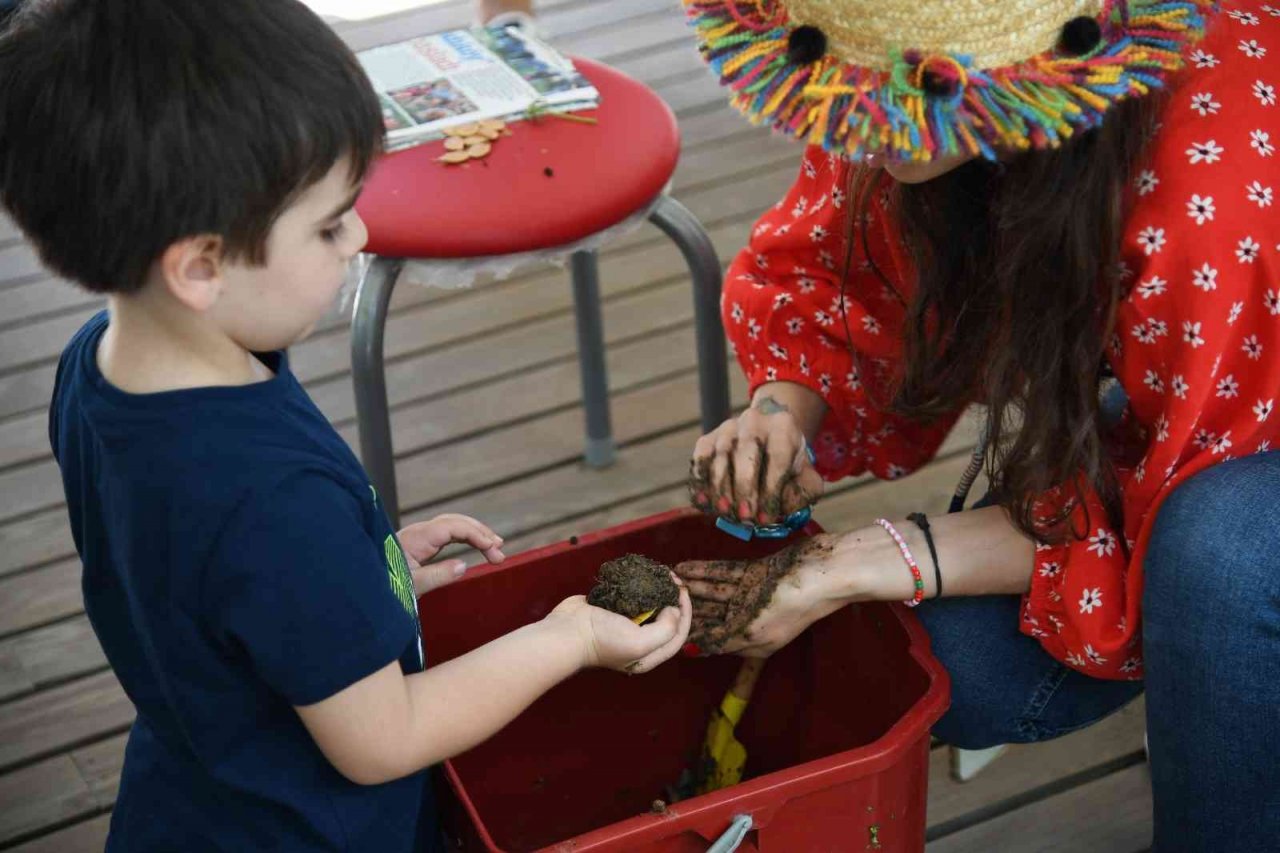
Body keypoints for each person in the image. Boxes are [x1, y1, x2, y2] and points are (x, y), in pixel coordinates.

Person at [0, 1, 690, 850]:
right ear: (201, 266)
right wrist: (572, 634)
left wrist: (371, 576)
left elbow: (217, 600)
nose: (360, 234)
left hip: (188, 792)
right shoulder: (271, 504)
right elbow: (384, 737)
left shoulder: (95, 366)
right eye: (329, 224)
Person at [676, 1, 1278, 849]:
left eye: (894, 86)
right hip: (1191, 411)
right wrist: (780, 410)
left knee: (1223, 559)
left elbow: (1166, 512)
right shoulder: (903, 94)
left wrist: (862, 558)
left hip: (1242, 457)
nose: (858, 117)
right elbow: (837, 269)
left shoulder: (1207, 189)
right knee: (947, 667)